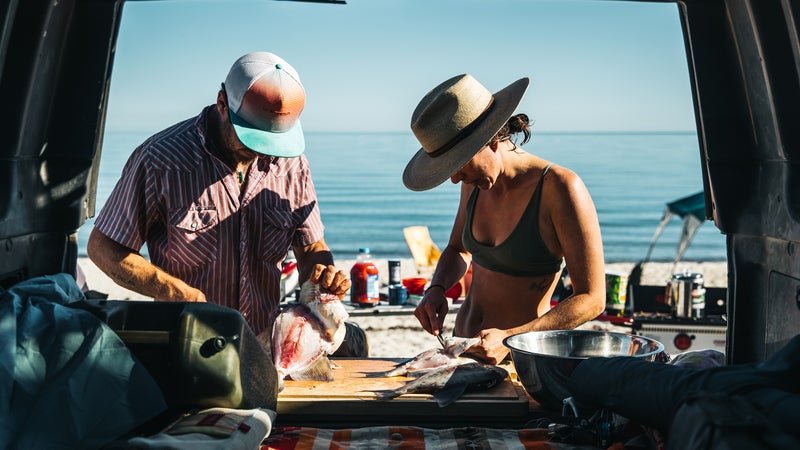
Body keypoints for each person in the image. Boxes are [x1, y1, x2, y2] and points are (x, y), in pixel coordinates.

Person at [87, 51, 351, 342]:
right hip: (186, 341)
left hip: (264, 342)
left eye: (274, 140)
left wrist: (323, 275)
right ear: (222, 103)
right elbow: (104, 249)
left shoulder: (293, 164)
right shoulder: (159, 160)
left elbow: (311, 247)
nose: (264, 151)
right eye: (253, 136)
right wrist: (173, 292)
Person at [404, 74, 606, 364]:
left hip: (522, 358)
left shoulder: (560, 187)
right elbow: (457, 249)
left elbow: (592, 298)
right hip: (464, 350)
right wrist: (436, 289)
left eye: (458, 163)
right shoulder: (472, 183)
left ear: (492, 139)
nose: (454, 178)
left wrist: (512, 341)